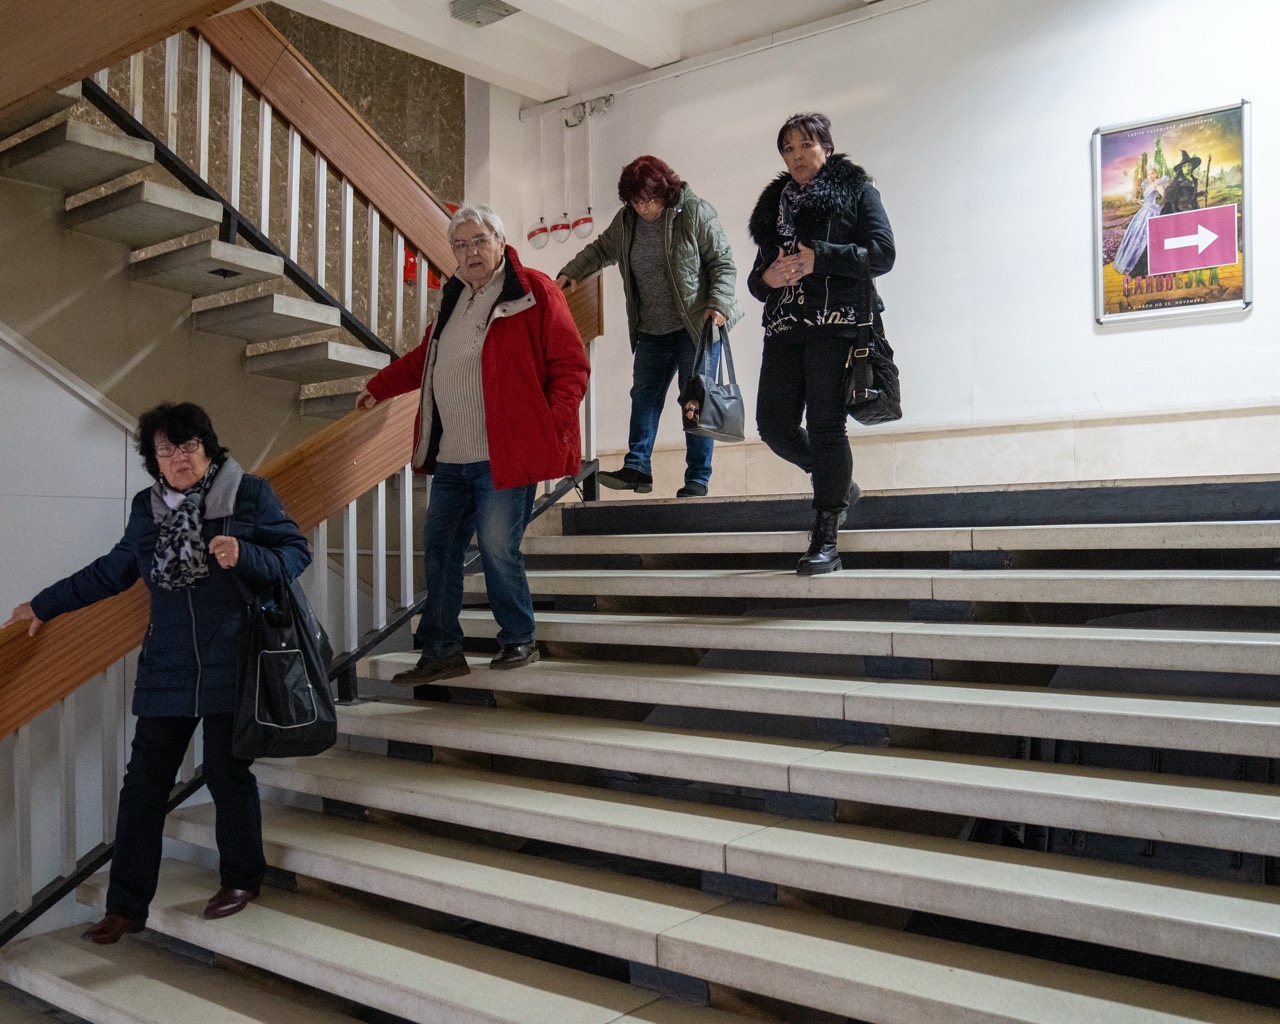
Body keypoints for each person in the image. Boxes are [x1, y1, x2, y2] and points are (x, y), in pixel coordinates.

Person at [2, 403, 311, 943]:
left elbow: (295, 553)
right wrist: (44, 604)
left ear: (207, 447)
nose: (178, 459)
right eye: (165, 450)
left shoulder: (249, 494)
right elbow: (113, 570)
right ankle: (125, 906)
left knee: (226, 774)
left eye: (188, 446)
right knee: (143, 786)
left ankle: (242, 877)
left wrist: (246, 554)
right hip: (167, 663)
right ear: (153, 459)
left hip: (234, 657)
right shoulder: (147, 508)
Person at [357, 204, 589, 685]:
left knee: (498, 547)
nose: (470, 252)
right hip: (453, 458)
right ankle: (442, 650)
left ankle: (519, 638)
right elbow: (425, 359)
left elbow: (571, 365)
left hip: (504, 455)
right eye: (460, 245)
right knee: (439, 549)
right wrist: (379, 386)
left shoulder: (533, 290)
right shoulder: (455, 297)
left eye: (479, 240)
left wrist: (548, 423)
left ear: (500, 241)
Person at [747, 112, 895, 575]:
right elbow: (757, 278)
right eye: (788, 148)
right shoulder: (774, 206)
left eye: (805, 145)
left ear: (826, 148)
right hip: (785, 328)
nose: (797, 156)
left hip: (836, 324)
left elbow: (883, 253)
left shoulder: (856, 190)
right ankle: (838, 481)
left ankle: (826, 536)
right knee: (774, 425)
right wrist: (766, 279)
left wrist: (823, 258)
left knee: (827, 427)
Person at [556, 155, 742, 498]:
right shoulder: (627, 221)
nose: (643, 208)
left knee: (694, 401)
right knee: (643, 397)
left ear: (665, 191)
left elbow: (723, 262)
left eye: (649, 200)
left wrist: (719, 302)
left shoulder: (693, 212)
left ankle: (697, 479)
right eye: (635, 201)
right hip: (651, 330)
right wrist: (571, 272)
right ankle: (638, 467)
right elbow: (600, 250)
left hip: (693, 327)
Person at [1114, 166, 1169, 277]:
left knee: (1148, 236)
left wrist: (1158, 205)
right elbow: (1147, 200)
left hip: (1152, 211)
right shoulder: (1147, 186)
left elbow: (1165, 197)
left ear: (1156, 174)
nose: (1150, 176)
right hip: (1144, 211)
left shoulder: (1157, 185)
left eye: (1152, 173)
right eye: (1148, 174)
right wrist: (1138, 200)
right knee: (1136, 234)